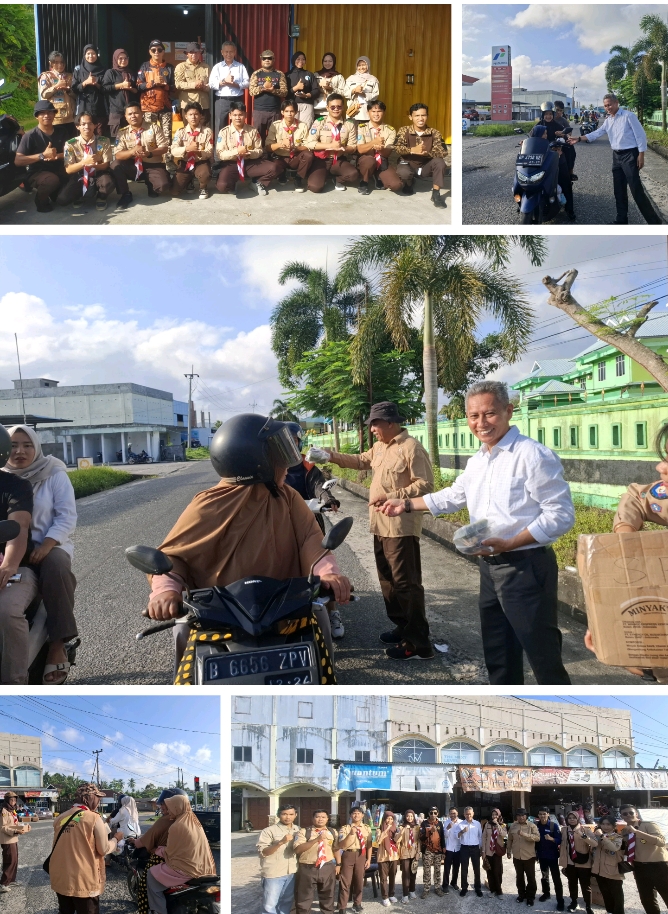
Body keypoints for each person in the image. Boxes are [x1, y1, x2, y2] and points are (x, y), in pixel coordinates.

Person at [379, 380, 575, 684]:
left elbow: (561, 514)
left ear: (509, 411)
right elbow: (453, 496)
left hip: (526, 567)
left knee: (542, 655)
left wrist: (511, 542)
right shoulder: (479, 461)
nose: (481, 423)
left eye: (490, 414)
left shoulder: (531, 455)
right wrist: (403, 505)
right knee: (498, 654)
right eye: (473, 416)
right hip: (489, 567)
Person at [145, 414, 351, 679]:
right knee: (182, 631)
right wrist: (165, 592)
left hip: (284, 610)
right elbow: (173, 558)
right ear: (256, 460)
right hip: (219, 617)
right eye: (279, 456)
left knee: (320, 617)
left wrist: (328, 572)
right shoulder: (206, 505)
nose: (288, 464)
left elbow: (311, 541)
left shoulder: (288, 497)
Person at [323, 401, 433, 659]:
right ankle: (402, 628)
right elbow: (361, 461)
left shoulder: (411, 448)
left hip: (401, 528)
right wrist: (330, 455)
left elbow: (426, 485)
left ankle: (419, 644)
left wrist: (393, 495)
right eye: (371, 424)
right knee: (388, 582)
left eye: (375, 423)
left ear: (391, 423)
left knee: (406, 585)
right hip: (379, 525)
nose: (372, 428)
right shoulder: (381, 447)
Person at [3, 425, 77, 683]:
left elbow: (67, 516)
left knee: (55, 564)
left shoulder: (53, 473)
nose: (20, 451)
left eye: (27, 445)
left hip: (50, 545)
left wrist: (47, 544)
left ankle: (57, 643)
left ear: (37, 447)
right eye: (13, 445)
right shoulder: (4, 478)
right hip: (11, 551)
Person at [284, 422, 343, 638]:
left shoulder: (307, 466)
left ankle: (333, 612)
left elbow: (320, 486)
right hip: (280, 524)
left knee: (323, 566)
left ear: (299, 443)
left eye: (293, 441)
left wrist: (328, 499)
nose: (289, 446)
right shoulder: (269, 466)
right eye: (284, 442)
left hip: (310, 522)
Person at [568, 92, 661, 225]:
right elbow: (597, 133)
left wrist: (641, 155)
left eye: (610, 104)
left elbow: (640, 135)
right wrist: (579, 138)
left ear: (616, 103)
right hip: (616, 156)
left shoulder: (629, 116)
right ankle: (621, 220)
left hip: (630, 155)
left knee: (636, 190)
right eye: (605, 106)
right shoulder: (608, 120)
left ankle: (655, 223)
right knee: (619, 190)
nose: (608, 107)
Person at [0, 424, 37, 685]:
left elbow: (19, 529)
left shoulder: (16, 486)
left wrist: (8, 566)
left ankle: (14, 683)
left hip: (17, 568)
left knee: (6, 610)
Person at [49, 783, 122, 914]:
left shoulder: (61, 817)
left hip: (61, 877)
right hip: (83, 881)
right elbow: (103, 849)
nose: (99, 801)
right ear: (86, 798)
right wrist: (116, 839)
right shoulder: (93, 818)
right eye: (97, 797)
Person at [146, 794, 216, 914]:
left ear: (177, 808)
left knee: (150, 875)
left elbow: (170, 853)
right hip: (204, 868)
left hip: (186, 869)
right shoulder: (195, 823)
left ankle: (158, 911)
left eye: (170, 807)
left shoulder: (177, 826)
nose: (168, 810)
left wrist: (156, 850)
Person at [126, 788, 186, 914]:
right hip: (187, 861)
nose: (161, 805)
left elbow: (148, 838)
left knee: (145, 886)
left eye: (166, 803)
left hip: (163, 858)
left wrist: (136, 842)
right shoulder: (189, 819)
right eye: (163, 803)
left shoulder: (166, 819)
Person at [216, 101, 282, 197]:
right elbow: (220, 154)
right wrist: (237, 152)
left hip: (250, 163)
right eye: (235, 115)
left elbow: (259, 150)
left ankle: (257, 183)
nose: (238, 118)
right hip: (232, 164)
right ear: (230, 116)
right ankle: (232, 183)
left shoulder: (253, 131)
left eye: (241, 115)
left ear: (245, 115)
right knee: (222, 186)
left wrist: (249, 153)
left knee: (274, 168)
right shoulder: (224, 132)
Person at [111, 102, 171, 206]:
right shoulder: (122, 132)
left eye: (136, 113)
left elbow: (164, 148)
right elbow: (117, 155)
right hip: (133, 165)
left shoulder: (154, 128)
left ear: (142, 113)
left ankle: (150, 184)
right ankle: (125, 194)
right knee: (115, 165)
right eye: (130, 114)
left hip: (152, 164)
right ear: (125, 117)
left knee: (163, 186)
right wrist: (131, 151)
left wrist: (149, 153)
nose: (133, 116)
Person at [14, 100, 70, 212]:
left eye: (50, 112)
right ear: (36, 116)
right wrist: (42, 155)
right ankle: (40, 201)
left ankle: (54, 192)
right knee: (51, 181)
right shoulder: (30, 136)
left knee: (64, 199)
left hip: (60, 170)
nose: (46, 115)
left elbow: (72, 152)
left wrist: (58, 156)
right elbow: (18, 161)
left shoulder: (62, 131)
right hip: (38, 173)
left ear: (54, 114)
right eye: (42, 113)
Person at [394, 103, 449, 208]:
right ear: (411, 117)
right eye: (417, 115)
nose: (420, 118)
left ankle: (436, 194)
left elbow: (443, 151)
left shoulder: (434, 133)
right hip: (408, 163)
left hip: (425, 165)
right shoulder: (404, 130)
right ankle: (409, 183)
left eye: (423, 115)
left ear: (427, 116)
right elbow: (396, 147)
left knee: (440, 162)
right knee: (404, 173)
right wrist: (412, 150)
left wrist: (427, 153)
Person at [60, 113, 116, 210]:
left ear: (95, 125)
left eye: (90, 123)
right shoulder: (70, 144)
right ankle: (79, 196)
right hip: (79, 175)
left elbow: (106, 165)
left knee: (108, 182)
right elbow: (69, 169)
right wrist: (84, 163)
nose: (87, 127)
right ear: (78, 126)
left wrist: (92, 166)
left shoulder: (104, 141)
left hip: (98, 173)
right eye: (83, 124)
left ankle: (101, 197)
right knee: (63, 199)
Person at [305, 93, 359, 193]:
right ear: (327, 107)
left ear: (343, 107)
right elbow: (310, 143)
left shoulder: (349, 124)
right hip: (321, 160)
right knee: (315, 187)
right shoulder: (319, 122)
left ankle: (337, 179)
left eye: (339, 106)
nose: (336, 109)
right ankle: (322, 175)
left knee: (353, 175)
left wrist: (343, 148)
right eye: (332, 107)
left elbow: (353, 147)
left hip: (338, 159)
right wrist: (330, 145)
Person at [620, 803, 668, 914]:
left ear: (636, 813)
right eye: (624, 814)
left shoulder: (648, 825)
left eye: (631, 812)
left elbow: (661, 842)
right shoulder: (624, 831)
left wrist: (637, 832)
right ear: (621, 816)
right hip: (640, 867)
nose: (628, 815)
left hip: (659, 865)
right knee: (647, 899)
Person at [293, 810, 341, 914]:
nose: (320, 819)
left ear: (327, 819)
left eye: (323, 817)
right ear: (312, 818)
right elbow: (297, 849)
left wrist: (338, 864)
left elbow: (336, 849)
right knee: (305, 897)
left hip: (327, 866)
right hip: (308, 867)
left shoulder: (332, 832)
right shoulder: (304, 831)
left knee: (328, 895)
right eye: (318, 817)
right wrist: (316, 840)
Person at [256, 804, 300, 914]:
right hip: (274, 873)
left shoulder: (297, 829)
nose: (288, 817)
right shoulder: (268, 831)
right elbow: (263, 852)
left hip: (292, 872)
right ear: (279, 815)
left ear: (296, 815)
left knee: (287, 901)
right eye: (284, 814)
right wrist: (280, 842)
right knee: (269, 905)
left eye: (291, 814)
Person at [209, 41, 250, 159]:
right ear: (222, 53)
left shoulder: (240, 66)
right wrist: (224, 82)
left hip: (237, 99)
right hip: (221, 99)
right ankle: (218, 157)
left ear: (235, 52)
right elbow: (211, 84)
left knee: (239, 125)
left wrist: (236, 84)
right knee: (220, 127)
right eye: (226, 52)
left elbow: (247, 83)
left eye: (231, 51)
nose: (228, 54)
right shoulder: (217, 67)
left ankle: (239, 153)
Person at [265, 99, 314, 193]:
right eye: (286, 111)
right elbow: (267, 146)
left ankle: (299, 178)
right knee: (273, 166)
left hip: (295, 156)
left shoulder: (302, 125)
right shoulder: (275, 125)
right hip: (280, 157)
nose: (289, 114)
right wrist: (280, 144)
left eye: (292, 111)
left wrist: (296, 148)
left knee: (308, 155)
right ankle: (281, 174)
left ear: (295, 112)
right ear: (282, 112)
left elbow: (308, 145)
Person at [356, 101, 402, 195]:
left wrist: (381, 149)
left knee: (396, 185)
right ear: (368, 113)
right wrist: (374, 143)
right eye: (373, 111)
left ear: (384, 113)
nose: (376, 114)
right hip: (366, 160)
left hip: (382, 161)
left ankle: (377, 175)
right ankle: (364, 182)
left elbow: (387, 153)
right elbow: (360, 149)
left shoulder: (390, 130)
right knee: (369, 161)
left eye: (379, 111)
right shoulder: (361, 128)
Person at [170, 102, 213, 200]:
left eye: (196, 114)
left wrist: (198, 152)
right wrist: (187, 149)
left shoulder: (207, 131)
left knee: (205, 175)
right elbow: (173, 150)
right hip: (185, 162)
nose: (193, 117)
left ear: (201, 116)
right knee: (174, 191)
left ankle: (203, 187)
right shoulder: (180, 132)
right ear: (186, 116)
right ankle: (189, 181)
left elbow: (209, 151)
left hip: (200, 161)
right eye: (190, 114)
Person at [137, 40, 176, 148]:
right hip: (149, 108)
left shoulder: (169, 67)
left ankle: (167, 162)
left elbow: (175, 88)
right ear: (150, 52)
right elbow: (139, 86)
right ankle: (151, 160)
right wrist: (153, 82)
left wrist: (165, 85)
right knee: (150, 136)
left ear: (163, 52)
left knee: (167, 137)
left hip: (166, 107)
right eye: (153, 50)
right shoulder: (144, 66)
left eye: (159, 50)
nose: (156, 52)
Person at [249, 51, 289, 144]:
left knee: (275, 136)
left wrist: (273, 90)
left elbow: (284, 92)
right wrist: (263, 88)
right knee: (258, 136)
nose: (267, 60)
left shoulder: (279, 74)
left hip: (274, 111)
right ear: (261, 60)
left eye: (269, 58)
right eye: (264, 58)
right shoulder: (256, 74)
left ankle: (273, 155)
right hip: (259, 111)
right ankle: (259, 155)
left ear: (273, 59)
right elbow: (251, 91)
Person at [559, 811, 595, 914]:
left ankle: (588, 906)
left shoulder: (586, 830)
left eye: (574, 818)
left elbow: (595, 843)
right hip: (570, 862)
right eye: (569, 818)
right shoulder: (564, 830)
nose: (572, 819)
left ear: (578, 819)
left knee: (585, 885)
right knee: (572, 883)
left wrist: (583, 836)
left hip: (584, 862)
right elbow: (561, 843)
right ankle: (573, 902)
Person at [338, 806, 372, 913]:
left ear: (362, 815)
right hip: (348, 855)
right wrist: (351, 833)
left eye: (358, 813)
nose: (356, 815)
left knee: (359, 880)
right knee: (345, 881)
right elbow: (341, 845)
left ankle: (357, 903)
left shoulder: (367, 828)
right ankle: (342, 906)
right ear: (350, 815)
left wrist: (369, 859)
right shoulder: (345, 828)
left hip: (361, 855)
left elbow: (369, 845)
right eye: (354, 813)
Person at [590, 815, 624, 914]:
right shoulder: (597, 836)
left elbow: (614, 848)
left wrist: (602, 836)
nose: (605, 827)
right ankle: (609, 911)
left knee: (617, 896)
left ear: (614, 826)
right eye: (603, 824)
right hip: (599, 871)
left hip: (613, 871)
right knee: (606, 894)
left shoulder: (617, 837)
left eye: (608, 824)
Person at [39, 50, 76, 138]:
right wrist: (56, 87)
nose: (60, 65)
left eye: (62, 62)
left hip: (71, 118)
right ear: (51, 63)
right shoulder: (46, 76)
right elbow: (44, 94)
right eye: (56, 62)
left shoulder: (71, 76)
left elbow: (77, 95)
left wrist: (68, 90)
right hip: (56, 119)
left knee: (71, 145)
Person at [507, 808, 540, 906]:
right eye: (519, 815)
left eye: (523, 815)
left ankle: (530, 897)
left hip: (529, 857)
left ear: (526, 816)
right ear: (516, 816)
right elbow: (509, 839)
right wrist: (508, 851)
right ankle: (521, 895)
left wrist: (524, 834)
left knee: (531, 877)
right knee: (519, 877)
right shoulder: (513, 826)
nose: (521, 817)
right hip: (517, 856)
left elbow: (537, 838)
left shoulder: (532, 826)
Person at [102, 49, 138, 140]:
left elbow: (137, 89)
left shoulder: (131, 73)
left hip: (131, 112)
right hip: (116, 112)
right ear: (115, 59)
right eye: (120, 58)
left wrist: (132, 90)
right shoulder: (111, 72)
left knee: (132, 139)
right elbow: (104, 88)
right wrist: (121, 85)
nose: (123, 60)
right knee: (117, 140)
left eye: (125, 58)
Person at [71, 45, 108, 133]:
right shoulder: (78, 69)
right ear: (84, 55)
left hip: (99, 108)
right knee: (85, 133)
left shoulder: (103, 70)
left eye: (93, 53)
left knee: (100, 136)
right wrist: (85, 82)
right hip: (83, 106)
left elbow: (106, 89)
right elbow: (74, 89)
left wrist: (97, 84)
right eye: (88, 53)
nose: (91, 56)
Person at [0, 791, 30, 894]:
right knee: (10, 860)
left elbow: (14, 823)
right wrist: (15, 831)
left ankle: (11, 880)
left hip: (13, 839)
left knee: (15, 860)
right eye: (11, 799)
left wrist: (24, 827)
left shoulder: (12, 810)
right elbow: (3, 827)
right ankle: (3, 884)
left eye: (14, 800)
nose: (13, 801)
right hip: (7, 840)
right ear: (7, 800)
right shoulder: (4, 811)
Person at [174, 43, 210, 123]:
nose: (194, 55)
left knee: (204, 132)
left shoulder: (206, 67)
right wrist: (194, 85)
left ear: (200, 53)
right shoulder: (181, 66)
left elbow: (211, 85)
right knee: (188, 132)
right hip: (187, 106)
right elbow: (178, 84)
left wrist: (204, 87)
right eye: (191, 52)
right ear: (187, 54)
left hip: (203, 105)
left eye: (197, 52)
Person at [536, 808, 563, 910]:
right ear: (538, 815)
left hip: (552, 856)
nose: (542, 816)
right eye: (540, 814)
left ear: (548, 814)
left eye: (544, 814)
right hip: (542, 856)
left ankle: (560, 900)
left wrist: (552, 839)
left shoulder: (553, 825)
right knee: (544, 877)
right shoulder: (536, 826)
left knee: (556, 878)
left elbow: (560, 839)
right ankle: (546, 893)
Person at [286, 51, 320, 128]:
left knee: (306, 128)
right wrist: (296, 88)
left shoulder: (309, 74)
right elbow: (284, 93)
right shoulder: (288, 75)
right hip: (292, 105)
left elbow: (316, 90)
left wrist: (307, 95)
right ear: (293, 60)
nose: (300, 61)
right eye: (298, 59)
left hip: (307, 105)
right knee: (292, 128)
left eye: (303, 59)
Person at [455, 806, 483, 898]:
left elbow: (480, 837)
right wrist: (462, 831)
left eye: (470, 814)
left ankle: (478, 888)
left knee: (476, 869)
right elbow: (457, 836)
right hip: (464, 848)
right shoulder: (461, 824)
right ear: (464, 814)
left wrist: (481, 848)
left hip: (475, 848)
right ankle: (464, 888)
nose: (468, 815)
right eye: (466, 814)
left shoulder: (477, 824)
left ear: (473, 814)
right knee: (464, 869)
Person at [344, 57, 380, 126]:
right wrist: (354, 91)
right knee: (352, 133)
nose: (361, 67)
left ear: (368, 65)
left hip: (366, 112)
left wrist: (365, 95)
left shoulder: (373, 80)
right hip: (353, 111)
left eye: (364, 65)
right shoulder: (350, 79)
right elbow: (344, 92)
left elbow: (376, 94)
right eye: (359, 65)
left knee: (365, 133)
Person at [420, 808, 445, 898]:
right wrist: (430, 831)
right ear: (428, 813)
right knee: (427, 870)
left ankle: (437, 888)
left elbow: (442, 837)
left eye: (435, 813)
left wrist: (443, 850)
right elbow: (421, 837)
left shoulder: (440, 824)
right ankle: (426, 889)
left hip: (438, 851)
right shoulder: (424, 823)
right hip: (427, 850)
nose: (433, 814)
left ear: (437, 813)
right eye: (431, 812)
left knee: (437, 870)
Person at [376, 811, 400, 906]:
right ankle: (385, 897)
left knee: (393, 876)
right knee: (383, 878)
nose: (389, 820)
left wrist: (400, 834)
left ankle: (391, 895)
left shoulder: (395, 829)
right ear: (384, 819)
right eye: (388, 818)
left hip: (393, 856)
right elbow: (378, 841)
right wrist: (386, 830)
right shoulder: (379, 829)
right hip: (383, 857)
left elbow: (397, 841)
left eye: (391, 819)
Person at [482, 808, 507, 897]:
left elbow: (504, 835)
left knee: (498, 871)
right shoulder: (487, 824)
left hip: (497, 852)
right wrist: (483, 851)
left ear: (499, 815)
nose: (494, 816)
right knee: (489, 871)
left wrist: (497, 824)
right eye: (493, 815)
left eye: (496, 815)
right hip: (489, 851)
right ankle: (492, 890)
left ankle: (499, 890)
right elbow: (484, 837)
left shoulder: (503, 825)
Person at [397, 809, 420, 903]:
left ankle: (412, 891)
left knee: (413, 873)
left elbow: (418, 841)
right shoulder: (401, 827)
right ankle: (405, 895)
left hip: (414, 853)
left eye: (411, 816)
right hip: (405, 853)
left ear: (414, 817)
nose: (409, 818)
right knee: (405, 874)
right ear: (405, 817)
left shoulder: (417, 827)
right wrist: (403, 830)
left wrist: (418, 853)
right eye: (407, 816)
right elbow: (397, 840)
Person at [442, 807, 462, 893]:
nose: (452, 815)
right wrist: (448, 828)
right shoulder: (446, 822)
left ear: (457, 813)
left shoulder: (461, 822)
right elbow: (445, 835)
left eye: (454, 813)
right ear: (449, 814)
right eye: (451, 813)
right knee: (447, 868)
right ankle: (445, 885)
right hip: (449, 848)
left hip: (458, 848)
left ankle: (454, 883)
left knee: (456, 867)